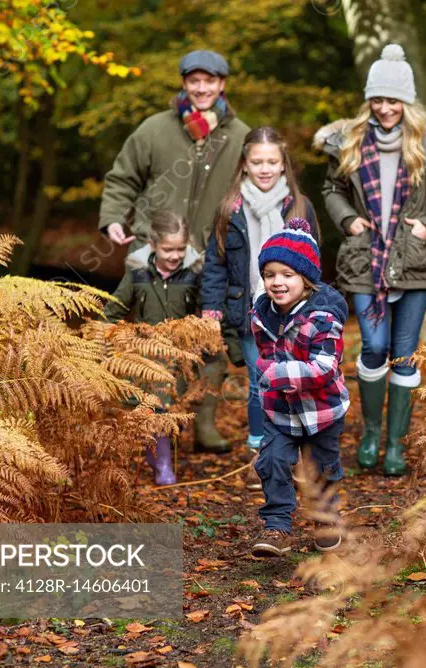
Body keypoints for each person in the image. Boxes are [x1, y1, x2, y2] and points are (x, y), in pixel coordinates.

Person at [313, 43, 426, 477]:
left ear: (406, 101)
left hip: (414, 258)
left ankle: (396, 445)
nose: (384, 109)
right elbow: (332, 191)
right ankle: (371, 434)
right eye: (377, 100)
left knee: (403, 355)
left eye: (392, 100)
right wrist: (348, 220)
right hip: (365, 258)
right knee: (374, 346)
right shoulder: (349, 141)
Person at [98, 49, 252, 454]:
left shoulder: (239, 137)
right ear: (184, 84)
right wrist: (114, 216)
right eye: (194, 80)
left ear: (222, 85)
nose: (201, 88)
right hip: (153, 246)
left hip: (209, 254)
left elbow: (257, 190)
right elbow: (121, 178)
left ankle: (202, 424)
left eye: (210, 81)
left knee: (211, 341)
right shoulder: (155, 129)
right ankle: (147, 422)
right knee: (148, 338)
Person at [200, 127, 320, 459]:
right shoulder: (230, 209)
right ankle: (261, 451)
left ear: (283, 165)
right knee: (262, 381)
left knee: (292, 380)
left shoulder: (298, 207)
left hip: (293, 311)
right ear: (244, 164)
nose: (264, 168)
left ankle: (293, 451)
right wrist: (212, 311)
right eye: (257, 162)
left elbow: (313, 261)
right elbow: (215, 264)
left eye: (271, 161)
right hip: (250, 311)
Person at [242, 222, 350, 558]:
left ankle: (325, 518)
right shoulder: (262, 313)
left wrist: (274, 372)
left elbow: (324, 367)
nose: (277, 282)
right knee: (272, 461)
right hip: (280, 409)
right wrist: (266, 373)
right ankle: (276, 526)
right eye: (270, 274)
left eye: (287, 274)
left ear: (306, 279)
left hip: (322, 410)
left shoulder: (323, 317)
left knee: (321, 467)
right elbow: (263, 355)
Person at [102, 210, 203, 485]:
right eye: (168, 249)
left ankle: (159, 454)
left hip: (181, 354)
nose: (174, 256)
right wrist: (105, 336)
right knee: (157, 407)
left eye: (180, 249)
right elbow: (115, 309)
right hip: (147, 355)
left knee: (172, 411)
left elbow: (204, 309)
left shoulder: (194, 272)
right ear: (153, 245)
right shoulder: (138, 272)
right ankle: (163, 465)